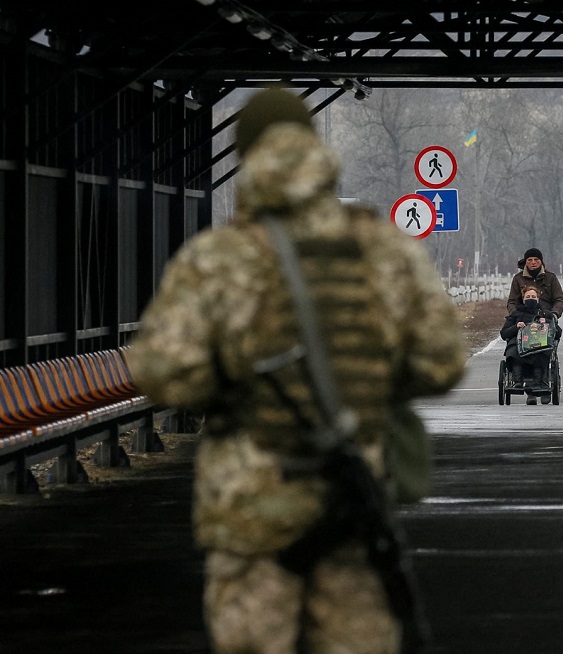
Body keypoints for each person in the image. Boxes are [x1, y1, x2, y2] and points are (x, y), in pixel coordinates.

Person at [124, 87, 466, 654]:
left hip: (249, 509)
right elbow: (441, 362)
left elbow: (163, 373)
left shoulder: (216, 258)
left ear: (247, 155)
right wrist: (372, 387)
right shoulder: (382, 249)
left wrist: (234, 384)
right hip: (354, 499)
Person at [500, 285, 559, 405]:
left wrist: (547, 324)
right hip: (519, 343)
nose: (530, 298)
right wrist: (516, 327)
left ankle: (538, 382)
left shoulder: (544, 314)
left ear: (538, 299)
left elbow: (558, 332)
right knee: (514, 351)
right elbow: (504, 333)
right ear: (523, 298)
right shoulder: (515, 314)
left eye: (533, 296)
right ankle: (517, 381)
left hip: (538, 344)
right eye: (528, 296)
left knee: (540, 352)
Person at [506, 247, 563, 318]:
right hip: (523, 318)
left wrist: (554, 314)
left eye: (536, 259)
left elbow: (559, 299)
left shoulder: (550, 277)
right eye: (530, 260)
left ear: (541, 261)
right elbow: (511, 301)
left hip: (547, 317)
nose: (533, 262)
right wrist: (515, 314)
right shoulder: (518, 278)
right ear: (526, 262)